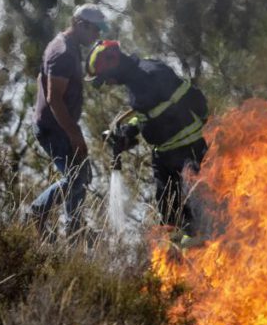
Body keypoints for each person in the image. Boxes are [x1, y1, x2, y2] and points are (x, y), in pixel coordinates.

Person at [85, 40, 208, 235]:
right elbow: (145, 115)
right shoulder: (134, 82)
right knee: (170, 219)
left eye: (105, 78)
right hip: (163, 157)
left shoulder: (153, 73)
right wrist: (127, 134)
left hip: (187, 153)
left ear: (114, 65)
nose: (108, 84)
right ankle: (178, 260)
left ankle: (208, 255)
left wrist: (208, 132)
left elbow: (195, 99)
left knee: (199, 217)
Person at [30, 4, 109, 238]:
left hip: (59, 124)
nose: (98, 35)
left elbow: (41, 77)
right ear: (80, 25)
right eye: (95, 30)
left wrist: (82, 81)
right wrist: (75, 134)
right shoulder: (63, 52)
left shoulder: (67, 45)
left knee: (81, 175)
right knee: (76, 177)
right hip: (54, 128)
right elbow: (55, 98)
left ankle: (73, 227)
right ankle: (38, 210)